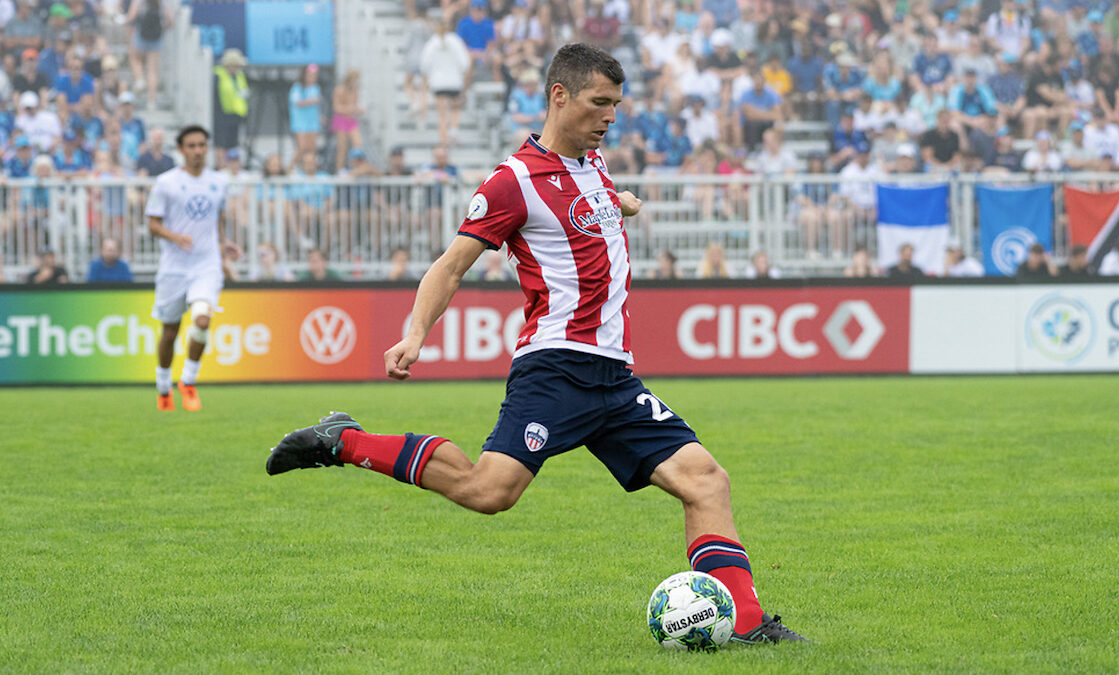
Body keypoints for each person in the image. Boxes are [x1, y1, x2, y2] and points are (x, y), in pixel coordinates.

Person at [265, 43, 807, 646]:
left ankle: (749, 625)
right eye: (599, 103)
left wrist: (620, 203)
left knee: (706, 480)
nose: (609, 117)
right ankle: (347, 441)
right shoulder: (512, 181)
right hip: (556, 369)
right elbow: (449, 267)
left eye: (616, 106)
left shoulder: (593, 167)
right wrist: (414, 334)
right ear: (559, 95)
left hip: (615, 379)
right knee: (488, 490)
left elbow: (589, 207)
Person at [145, 124, 238, 412]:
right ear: (182, 150)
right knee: (170, 332)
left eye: (202, 145)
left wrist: (224, 245)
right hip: (174, 267)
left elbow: (217, 218)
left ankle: (187, 381)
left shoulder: (219, 181)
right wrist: (176, 237)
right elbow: (152, 224)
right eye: (192, 146)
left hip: (206, 265)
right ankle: (163, 388)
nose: (198, 151)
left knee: (201, 320)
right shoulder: (166, 183)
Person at [212, 49, 249, 169]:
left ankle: (231, 167)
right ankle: (221, 166)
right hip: (221, 115)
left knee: (232, 143)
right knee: (221, 143)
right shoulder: (218, 76)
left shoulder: (239, 76)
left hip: (235, 115)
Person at [288, 63, 323, 170]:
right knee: (302, 147)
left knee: (312, 148)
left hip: (312, 122)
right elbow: (297, 102)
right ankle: (290, 168)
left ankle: (309, 170)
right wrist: (311, 101)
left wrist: (320, 116)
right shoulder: (297, 88)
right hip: (300, 122)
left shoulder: (316, 88)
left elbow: (316, 107)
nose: (313, 78)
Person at [331, 69, 364, 170]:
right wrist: (349, 109)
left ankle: (357, 168)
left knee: (358, 144)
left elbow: (354, 107)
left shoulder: (355, 92)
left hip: (351, 120)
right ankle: (339, 169)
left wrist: (358, 110)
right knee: (342, 148)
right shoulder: (339, 90)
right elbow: (336, 108)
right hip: (341, 121)